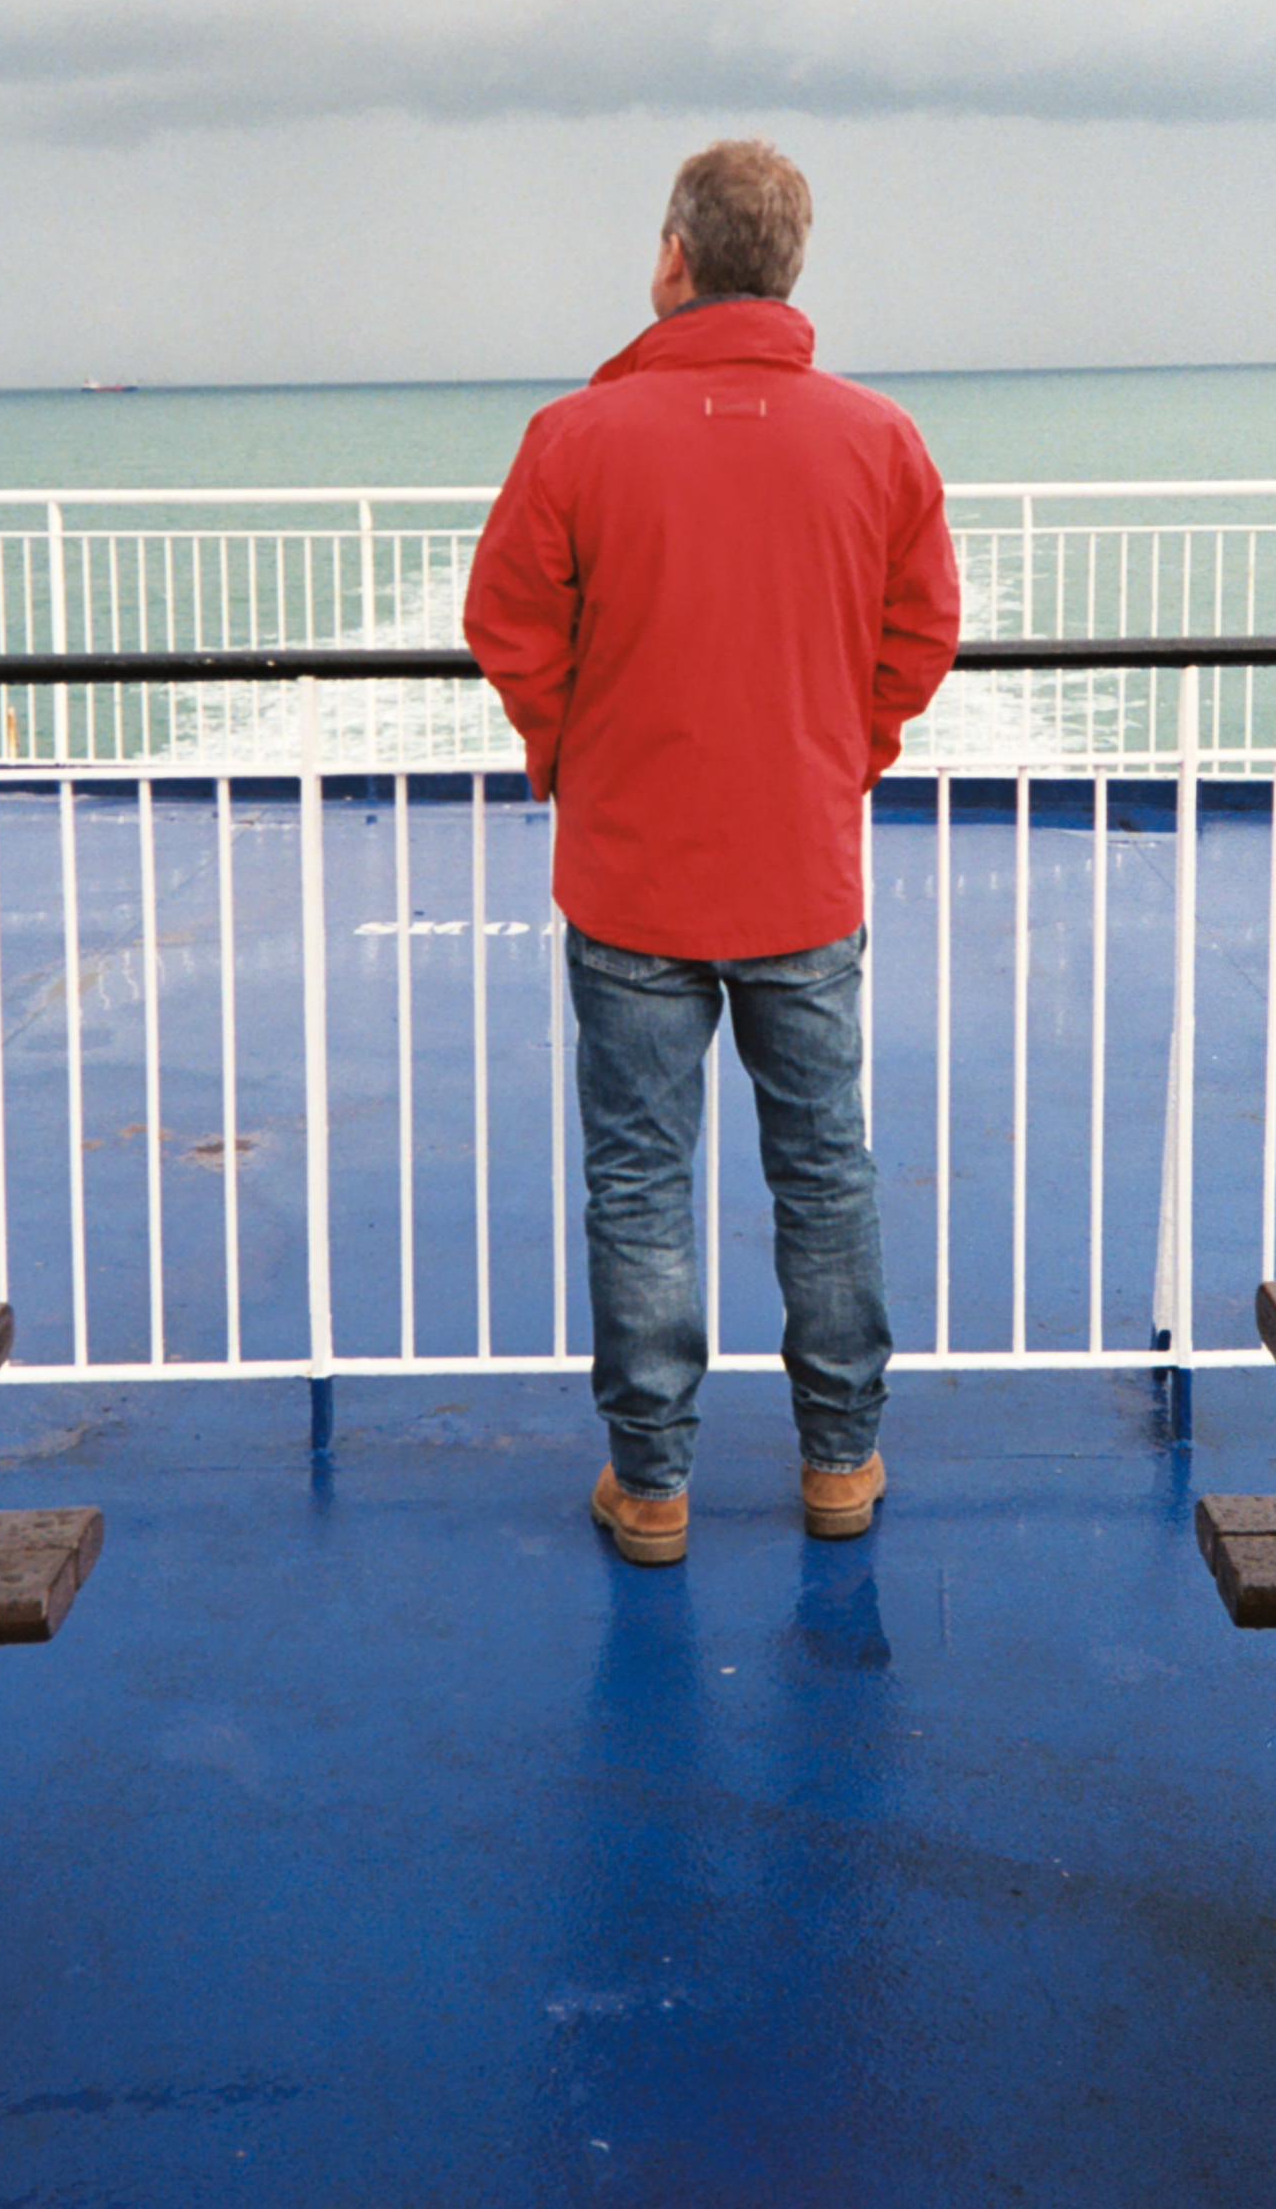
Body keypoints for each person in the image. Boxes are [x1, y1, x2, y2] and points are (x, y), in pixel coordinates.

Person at [463, 140, 960, 1564]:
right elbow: (918, 632)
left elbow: (509, 626)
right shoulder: (876, 440)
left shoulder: (572, 438)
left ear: (672, 259)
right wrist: (838, 757)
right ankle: (839, 1467)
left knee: (638, 1177)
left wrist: (575, 756)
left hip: (630, 874)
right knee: (824, 1168)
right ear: (789, 267)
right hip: (800, 871)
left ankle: (656, 1485)